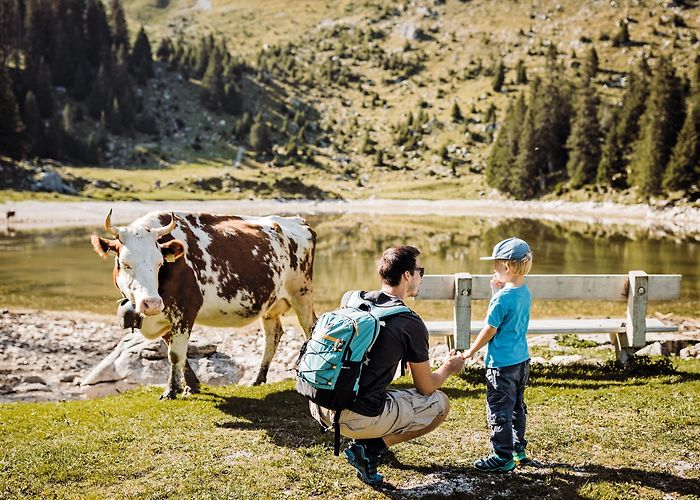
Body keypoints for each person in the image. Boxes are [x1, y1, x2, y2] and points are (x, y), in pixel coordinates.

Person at [309, 245, 466, 486]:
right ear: (406, 275)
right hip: (355, 418)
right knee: (439, 404)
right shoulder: (409, 322)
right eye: (420, 271)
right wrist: (448, 367)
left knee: (385, 392)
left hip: (319, 403)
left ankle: (366, 440)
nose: (421, 277)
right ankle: (370, 448)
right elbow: (425, 387)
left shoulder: (352, 299)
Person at [462, 237, 533, 473]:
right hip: (521, 361)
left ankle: (502, 456)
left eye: (496, 264)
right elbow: (509, 315)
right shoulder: (524, 292)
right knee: (516, 407)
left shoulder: (502, 298)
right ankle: (517, 447)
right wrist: (496, 291)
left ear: (508, 267)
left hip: (501, 366)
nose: (493, 269)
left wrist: (471, 351)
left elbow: (490, 328)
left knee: (499, 409)